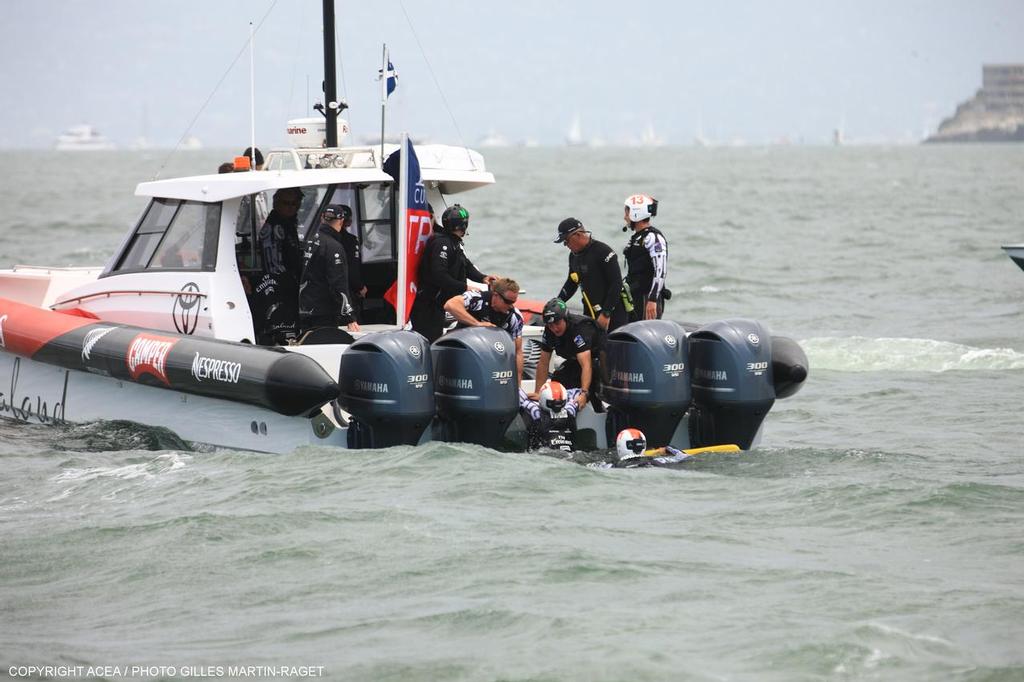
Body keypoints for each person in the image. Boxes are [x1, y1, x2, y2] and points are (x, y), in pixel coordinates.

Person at [410, 204, 496, 343]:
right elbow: (439, 275)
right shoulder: (442, 243)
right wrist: (465, 288)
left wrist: (483, 278)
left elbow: (465, 265)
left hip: (437, 305)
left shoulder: (453, 243)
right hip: (427, 305)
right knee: (429, 340)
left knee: (436, 336)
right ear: (463, 225)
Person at [530, 298, 605, 412]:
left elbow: (586, 365)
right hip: (575, 361)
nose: (554, 328)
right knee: (557, 381)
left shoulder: (579, 329)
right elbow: (543, 362)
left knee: (590, 389)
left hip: (599, 362)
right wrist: (538, 393)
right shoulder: (549, 331)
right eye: (550, 325)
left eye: (557, 323)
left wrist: (584, 393)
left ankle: (598, 411)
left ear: (565, 319)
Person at [554, 217, 628, 332]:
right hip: (590, 310)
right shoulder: (573, 256)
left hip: (612, 313)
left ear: (578, 235)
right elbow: (572, 282)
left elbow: (616, 283)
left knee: (611, 347)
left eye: (566, 241)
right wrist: (558, 302)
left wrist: (606, 314)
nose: (566, 245)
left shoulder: (603, 252)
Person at [444, 277, 525, 382]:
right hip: (462, 351)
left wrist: (517, 387)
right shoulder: (478, 298)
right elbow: (450, 305)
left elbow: (518, 352)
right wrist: (477, 324)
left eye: (513, 302)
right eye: (507, 301)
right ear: (495, 295)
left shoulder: (514, 317)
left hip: (490, 359)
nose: (510, 306)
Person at [250, 187, 304, 344]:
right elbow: (273, 262)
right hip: (279, 284)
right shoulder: (275, 226)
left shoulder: (288, 223)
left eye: (295, 204)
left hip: (290, 281)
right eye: (286, 203)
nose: (291, 207)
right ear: (276, 203)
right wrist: (289, 282)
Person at [298, 203, 361, 334]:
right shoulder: (333, 247)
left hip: (305, 309)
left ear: (322, 218)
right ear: (341, 221)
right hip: (323, 313)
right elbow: (338, 284)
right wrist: (349, 316)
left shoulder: (309, 242)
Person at [622, 194, 669, 321]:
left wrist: (652, 299)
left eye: (627, 212)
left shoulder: (653, 238)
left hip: (647, 298)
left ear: (635, 214)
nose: (625, 217)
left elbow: (660, 270)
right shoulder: (637, 237)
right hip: (635, 295)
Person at [520, 380, 581, 452]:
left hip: (544, 454)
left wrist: (533, 396)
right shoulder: (571, 409)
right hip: (570, 454)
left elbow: (517, 395)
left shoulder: (535, 411)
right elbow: (577, 392)